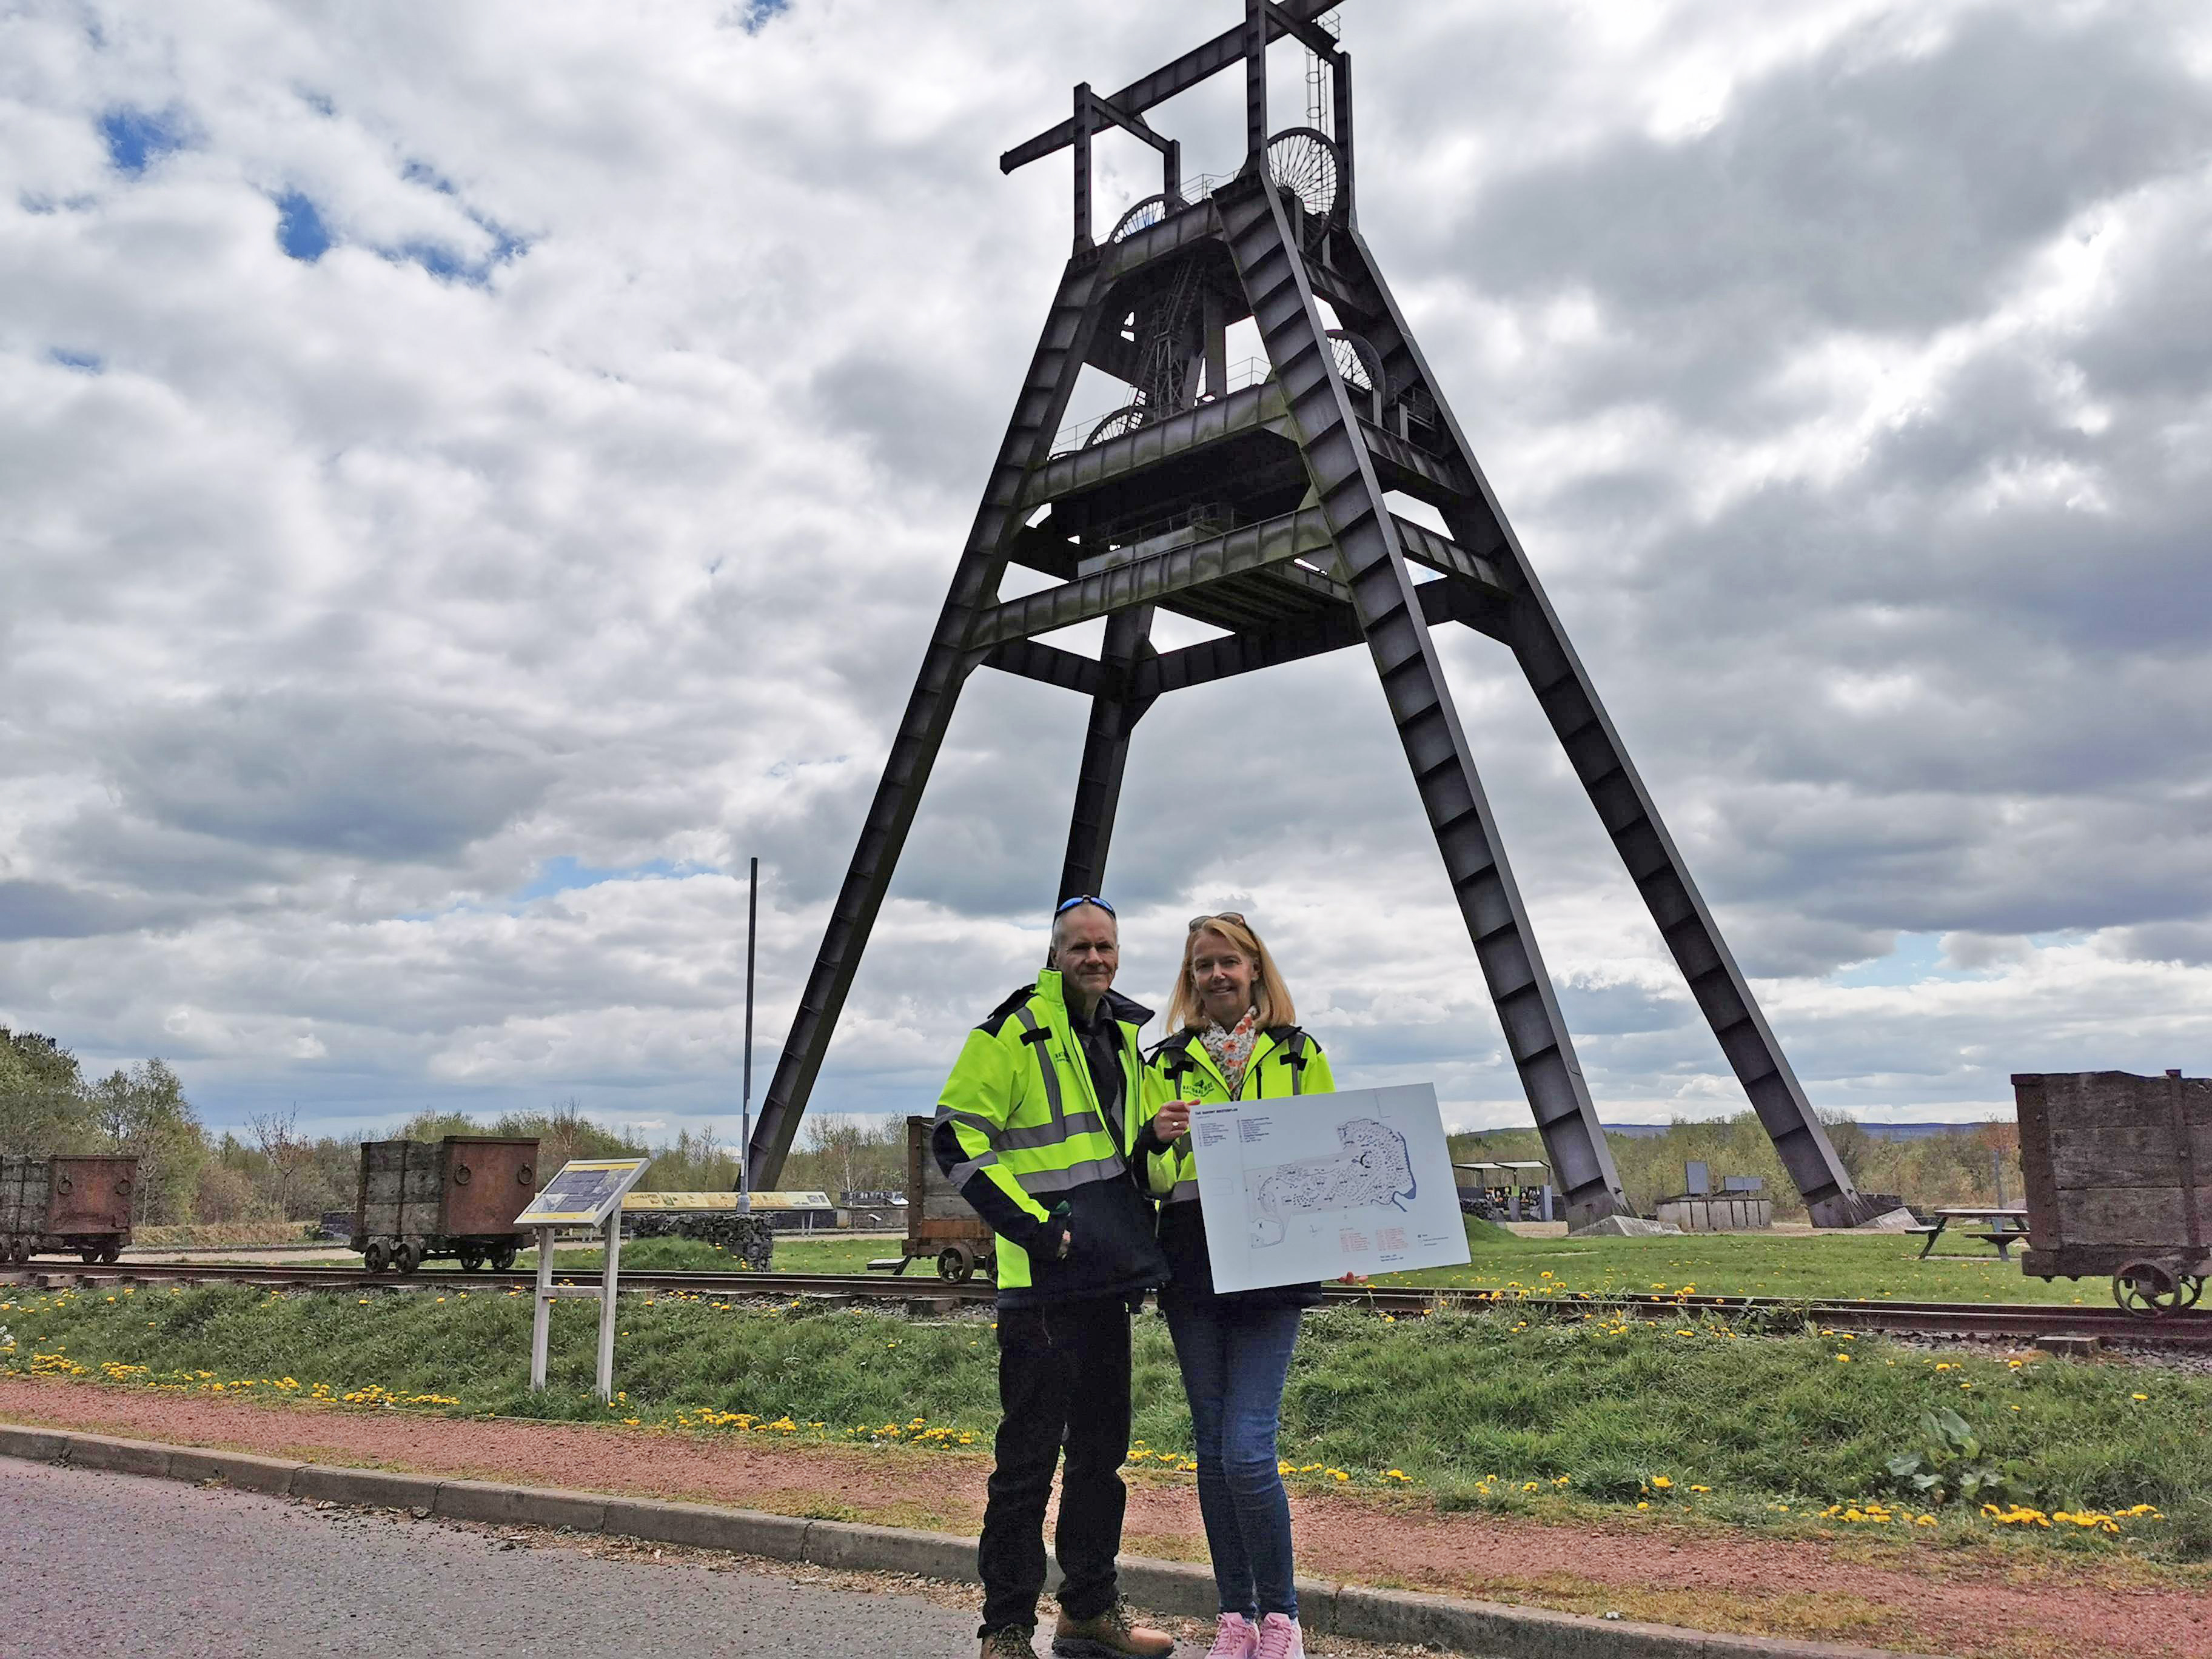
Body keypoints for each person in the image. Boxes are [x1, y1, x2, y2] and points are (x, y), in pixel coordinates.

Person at [933, 895, 1178, 1659]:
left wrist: (1158, 1140)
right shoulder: (1013, 1031)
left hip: (1106, 1283)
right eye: (1080, 947)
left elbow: (1131, 1168)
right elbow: (956, 1133)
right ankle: (1005, 1629)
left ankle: (1088, 1609)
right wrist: (1039, 1230)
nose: (1095, 959)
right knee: (1027, 1463)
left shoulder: (1125, 1040)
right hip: (1040, 1286)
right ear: (1055, 954)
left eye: (1106, 946)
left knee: (1101, 1458)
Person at [1139, 913, 1336, 1659]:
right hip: (1192, 1266)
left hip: (1274, 1263)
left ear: (1255, 969)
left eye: (1229, 962)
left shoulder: (1298, 1053)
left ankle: (1281, 1617)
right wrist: (1156, 1141)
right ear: (1189, 981)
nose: (1216, 976)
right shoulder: (1163, 1061)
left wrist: (1343, 1231)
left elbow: (1331, 1151)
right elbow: (1151, 1182)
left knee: (1248, 1449)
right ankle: (1235, 1618)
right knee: (1213, 1450)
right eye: (1202, 966)